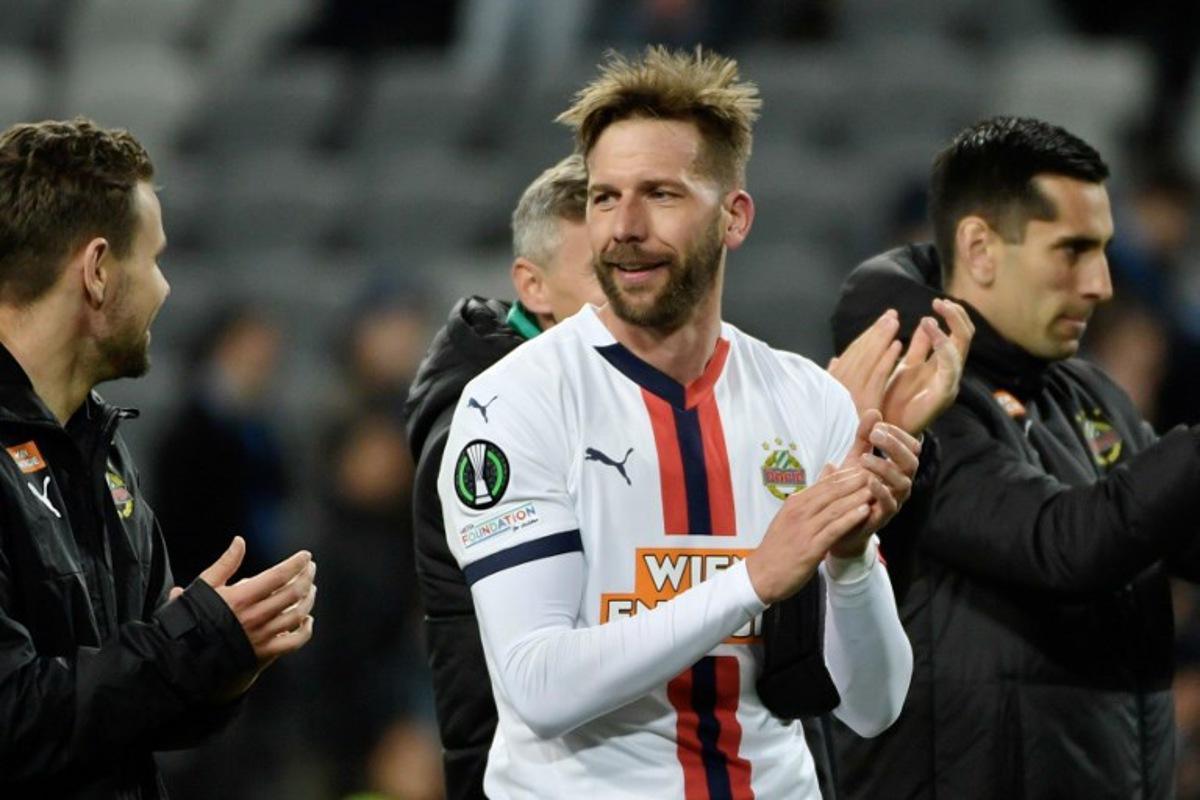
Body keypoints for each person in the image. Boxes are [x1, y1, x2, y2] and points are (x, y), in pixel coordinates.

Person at [437, 47, 935, 799]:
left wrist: (851, 556)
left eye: (661, 194)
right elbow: (539, 685)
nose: (624, 227)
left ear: (734, 216)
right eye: (605, 197)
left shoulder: (809, 401)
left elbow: (874, 706)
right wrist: (752, 579)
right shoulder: (511, 404)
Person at [829, 116, 1200, 799]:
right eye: (1072, 251)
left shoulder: (1087, 394)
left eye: (1103, 251)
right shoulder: (906, 396)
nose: (1101, 284)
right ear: (980, 248)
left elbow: (1175, 534)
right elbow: (1063, 545)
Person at [0, 118, 316, 798]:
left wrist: (223, 656)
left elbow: (137, 700)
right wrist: (186, 646)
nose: (165, 288)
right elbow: (12, 720)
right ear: (97, 271)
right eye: (153, 259)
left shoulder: (101, 445)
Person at [405, 152, 605, 800]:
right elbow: (495, 669)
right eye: (600, 271)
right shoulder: (483, 432)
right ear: (534, 287)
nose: (629, 289)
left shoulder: (600, 393)